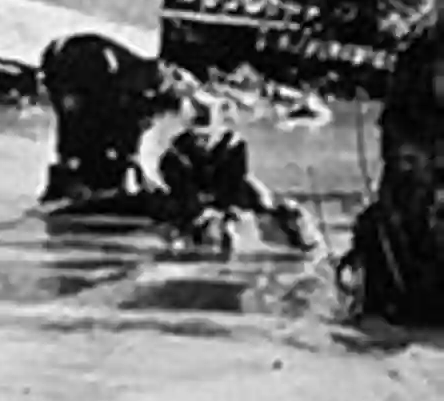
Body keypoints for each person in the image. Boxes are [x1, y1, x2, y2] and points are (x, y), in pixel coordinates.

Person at [36, 32, 189, 202]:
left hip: (83, 72)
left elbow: (127, 129)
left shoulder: (130, 87)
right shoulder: (125, 82)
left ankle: (90, 180)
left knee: (98, 133)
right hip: (83, 72)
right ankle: (86, 180)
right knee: (87, 132)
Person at [157, 95, 317, 254]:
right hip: (193, 194)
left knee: (266, 200)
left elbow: (236, 177)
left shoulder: (234, 144)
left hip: (228, 187)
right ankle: (183, 237)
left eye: (207, 134)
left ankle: (298, 235)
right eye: (197, 135)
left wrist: (230, 209)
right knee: (177, 211)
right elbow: (179, 186)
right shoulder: (175, 153)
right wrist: (199, 208)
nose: (202, 140)